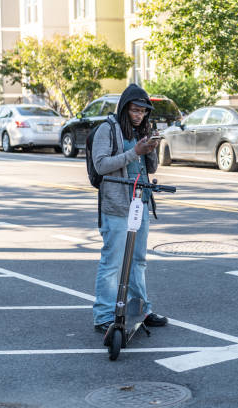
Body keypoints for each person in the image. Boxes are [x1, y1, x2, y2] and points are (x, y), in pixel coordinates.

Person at [91, 83, 167, 332]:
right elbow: (101, 165)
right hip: (116, 204)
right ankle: (103, 316)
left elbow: (150, 168)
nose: (139, 116)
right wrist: (135, 151)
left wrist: (151, 148)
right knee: (113, 261)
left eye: (143, 112)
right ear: (124, 109)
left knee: (139, 260)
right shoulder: (107, 130)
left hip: (141, 202)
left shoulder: (141, 130)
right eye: (135, 110)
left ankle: (142, 310)